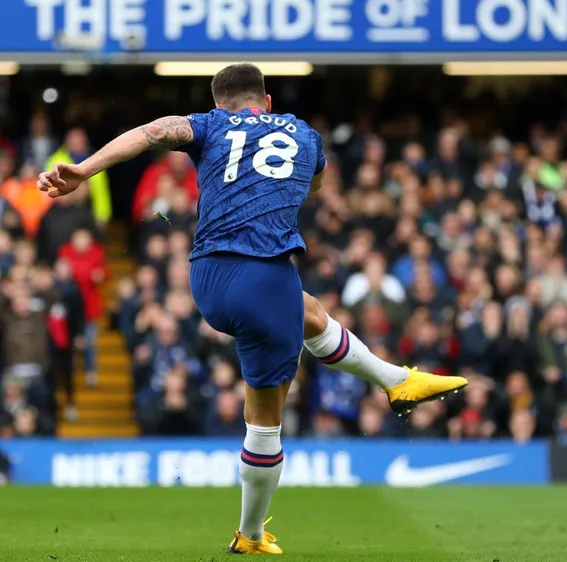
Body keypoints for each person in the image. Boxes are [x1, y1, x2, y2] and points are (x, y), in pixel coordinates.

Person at [36, 63, 468, 555]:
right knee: (265, 421)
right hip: (262, 277)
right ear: (265, 99)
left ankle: (396, 381)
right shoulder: (304, 135)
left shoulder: (211, 124)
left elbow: (151, 132)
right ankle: (251, 534)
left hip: (206, 278)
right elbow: (316, 185)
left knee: (307, 310)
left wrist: (84, 171)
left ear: (219, 101)